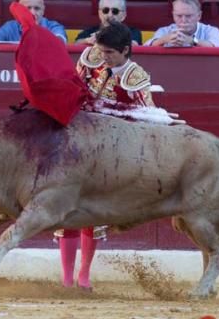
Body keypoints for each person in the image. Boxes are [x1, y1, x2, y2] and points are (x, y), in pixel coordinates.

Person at [61, 21, 152, 291]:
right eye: (101, 51)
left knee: (91, 214)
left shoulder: (136, 78)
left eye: (110, 53)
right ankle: (66, 279)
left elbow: (146, 118)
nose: (103, 57)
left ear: (125, 50)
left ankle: (84, 276)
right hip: (77, 142)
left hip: (107, 152)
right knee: (67, 211)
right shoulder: (91, 58)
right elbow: (72, 89)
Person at [146, 0, 219, 47]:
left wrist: (192, 41)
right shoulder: (164, 31)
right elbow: (146, 47)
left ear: (199, 16)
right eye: (179, 16)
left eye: (188, 16)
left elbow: (217, 48)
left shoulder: (211, 30)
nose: (184, 20)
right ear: (173, 15)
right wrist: (164, 40)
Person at [75, 0, 143, 45]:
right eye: (105, 10)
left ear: (123, 15)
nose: (110, 15)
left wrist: (103, 38)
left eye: (115, 11)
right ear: (99, 13)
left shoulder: (133, 32)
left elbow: (133, 45)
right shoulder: (90, 31)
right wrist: (87, 40)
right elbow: (76, 43)